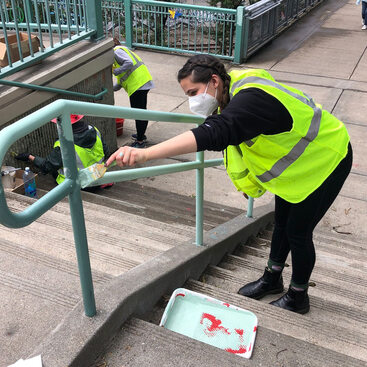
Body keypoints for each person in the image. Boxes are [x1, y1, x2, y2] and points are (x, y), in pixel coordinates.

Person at [106, 54, 352, 314]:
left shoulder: (251, 99)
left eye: (193, 92)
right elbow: (238, 146)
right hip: (299, 168)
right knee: (281, 223)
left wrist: (144, 154)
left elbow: (216, 133)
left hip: (327, 158)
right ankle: (272, 278)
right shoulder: (227, 93)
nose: (192, 101)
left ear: (214, 81)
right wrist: (249, 183)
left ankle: (298, 296)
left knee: (298, 233)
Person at [15, 114, 112, 189]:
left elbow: (47, 166)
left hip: (80, 184)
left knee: (54, 170)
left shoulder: (64, 145)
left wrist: (29, 157)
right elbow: (106, 152)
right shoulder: (94, 130)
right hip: (99, 176)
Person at [112, 37, 154, 148]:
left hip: (138, 85)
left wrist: (116, 71)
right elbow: (121, 80)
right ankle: (141, 135)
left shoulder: (116, 51)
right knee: (140, 112)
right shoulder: (123, 51)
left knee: (139, 113)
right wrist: (111, 88)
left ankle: (140, 141)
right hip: (142, 82)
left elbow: (129, 63)